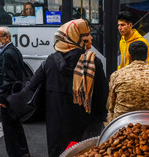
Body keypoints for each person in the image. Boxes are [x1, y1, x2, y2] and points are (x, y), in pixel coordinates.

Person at [27, 19, 108, 157]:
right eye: (87, 34)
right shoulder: (93, 62)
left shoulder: (50, 61)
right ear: (77, 38)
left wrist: (8, 100)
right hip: (85, 129)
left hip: (57, 130)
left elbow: (30, 89)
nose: (91, 37)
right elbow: (102, 99)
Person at [107, 41, 149, 124]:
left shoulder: (117, 75)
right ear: (146, 56)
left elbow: (110, 105)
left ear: (129, 56)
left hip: (122, 125)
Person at [0, 27, 29, 157]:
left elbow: (8, 79)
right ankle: (23, 152)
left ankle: (16, 154)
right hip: (14, 96)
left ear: (7, 37)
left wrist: (1, 99)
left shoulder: (7, 54)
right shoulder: (14, 50)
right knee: (16, 126)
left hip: (8, 98)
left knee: (9, 129)